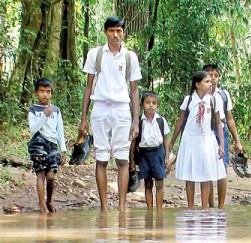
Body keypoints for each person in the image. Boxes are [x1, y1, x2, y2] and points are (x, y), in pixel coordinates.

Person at [79, 16, 142, 212]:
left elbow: (134, 90)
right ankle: (105, 208)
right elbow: (89, 87)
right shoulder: (95, 54)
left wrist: (135, 120)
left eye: (119, 31)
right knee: (102, 158)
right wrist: (83, 119)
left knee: (122, 159)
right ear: (106, 32)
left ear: (123, 33)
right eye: (112, 31)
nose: (115, 35)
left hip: (122, 110)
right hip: (100, 109)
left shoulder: (130, 57)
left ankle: (122, 207)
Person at [168, 71, 226, 210]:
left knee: (206, 173)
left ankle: (205, 208)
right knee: (190, 172)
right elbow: (181, 120)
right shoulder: (189, 100)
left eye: (211, 81)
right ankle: (190, 207)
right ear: (197, 84)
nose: (210, 83)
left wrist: (222, 145)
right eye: (206, 81)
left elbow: (218, 123)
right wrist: (172, 141)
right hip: (190, 139)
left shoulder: (213, 100)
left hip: (207, 139)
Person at [202, 64, 249, 208]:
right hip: (204, 132)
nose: (213, 78)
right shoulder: (199, 95)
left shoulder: (224, 95)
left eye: (216, 75)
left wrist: (237, 141)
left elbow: (229, 118)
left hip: (220, 131)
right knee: (207, 170)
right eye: (210, 75)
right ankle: (209, 206)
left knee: (222, 168)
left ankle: (221, 207)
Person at [27, 78, 66, 213]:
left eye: (48, 92)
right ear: (36, 93)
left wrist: (63, 150)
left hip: (52, 144)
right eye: (42, 91)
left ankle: (49, 199)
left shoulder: (56, 110)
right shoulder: (33, 110)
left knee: (51, 176)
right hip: (38, 143)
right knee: (41, 174)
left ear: (51, 93)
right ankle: (42, 205)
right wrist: (44, 115)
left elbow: (60, 130)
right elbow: (33, 129)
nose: (45, 94)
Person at [130, 91, 170, 211]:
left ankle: (159, 210)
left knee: (159, 182)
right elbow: (134, 142)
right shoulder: (139, 122)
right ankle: (149, 210)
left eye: (154, 103)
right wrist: (131, 159)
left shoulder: (161, 120)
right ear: (142, 105)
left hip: (158, 153)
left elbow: (165, 139)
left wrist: (167, 157)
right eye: (148, 103)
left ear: (157, 105)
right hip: (144, 154)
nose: (151, 105)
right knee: (147, 183)